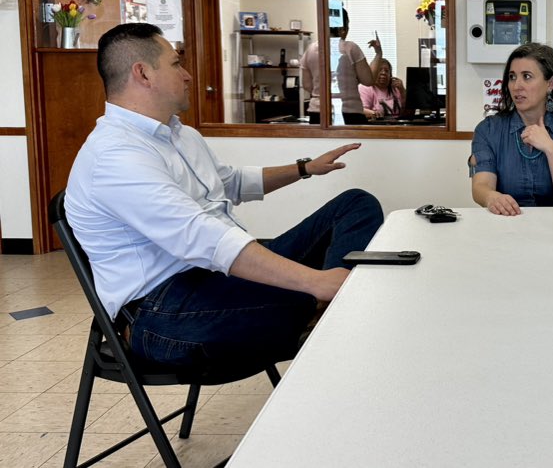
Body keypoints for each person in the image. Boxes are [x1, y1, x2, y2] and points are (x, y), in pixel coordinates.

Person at [65, 23, 384, 369]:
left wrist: (304, 168)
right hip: (164, 312)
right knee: (327, 298)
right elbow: (201, 237)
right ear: (143, 74)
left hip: (219, 278)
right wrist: (317, 281)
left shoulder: (180, 135)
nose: (187, 75)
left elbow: (229, 183)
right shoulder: (114, 155)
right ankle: (326, 312)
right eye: (176, 64)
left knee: (356, 204)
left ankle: (324, 314)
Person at [470, 43, 553, 215]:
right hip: (507, 225)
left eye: (527, 76)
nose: (516, 86)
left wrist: (550, 148)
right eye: (512, 77)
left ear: (550, 84)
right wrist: (492, 197)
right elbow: (481, 186)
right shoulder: (488, 129)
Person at [299, 1, 380, 124]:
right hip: (349, 112)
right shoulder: (350, 48)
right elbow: (368, 80)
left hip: (318, 111)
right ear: (342, 29)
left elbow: (307, 85)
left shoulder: (310, 49)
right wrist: (378, 54)